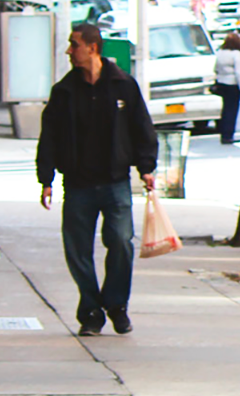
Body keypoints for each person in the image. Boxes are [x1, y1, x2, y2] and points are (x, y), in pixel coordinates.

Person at [36, 23, 159, 336]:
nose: (69, 51)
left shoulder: (123, 86)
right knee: (76, 249)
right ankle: (91, 309)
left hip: (115, 181)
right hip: (78, 183)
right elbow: (49, 136)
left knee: (120, 241)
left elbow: (142, 127)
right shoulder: (64, 91)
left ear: (92, 47)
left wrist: (146, 167)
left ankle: (117, 305)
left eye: (74, 44)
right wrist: (46, 178)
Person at [212, 32, 240, 144]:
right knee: (232, 110)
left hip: (222, 82)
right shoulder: (236, 54)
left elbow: (216, 68)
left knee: (225, 109)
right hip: (232, 84)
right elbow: (239, 72)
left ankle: (223, 132)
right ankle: (228, 134)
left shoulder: (220, 53)